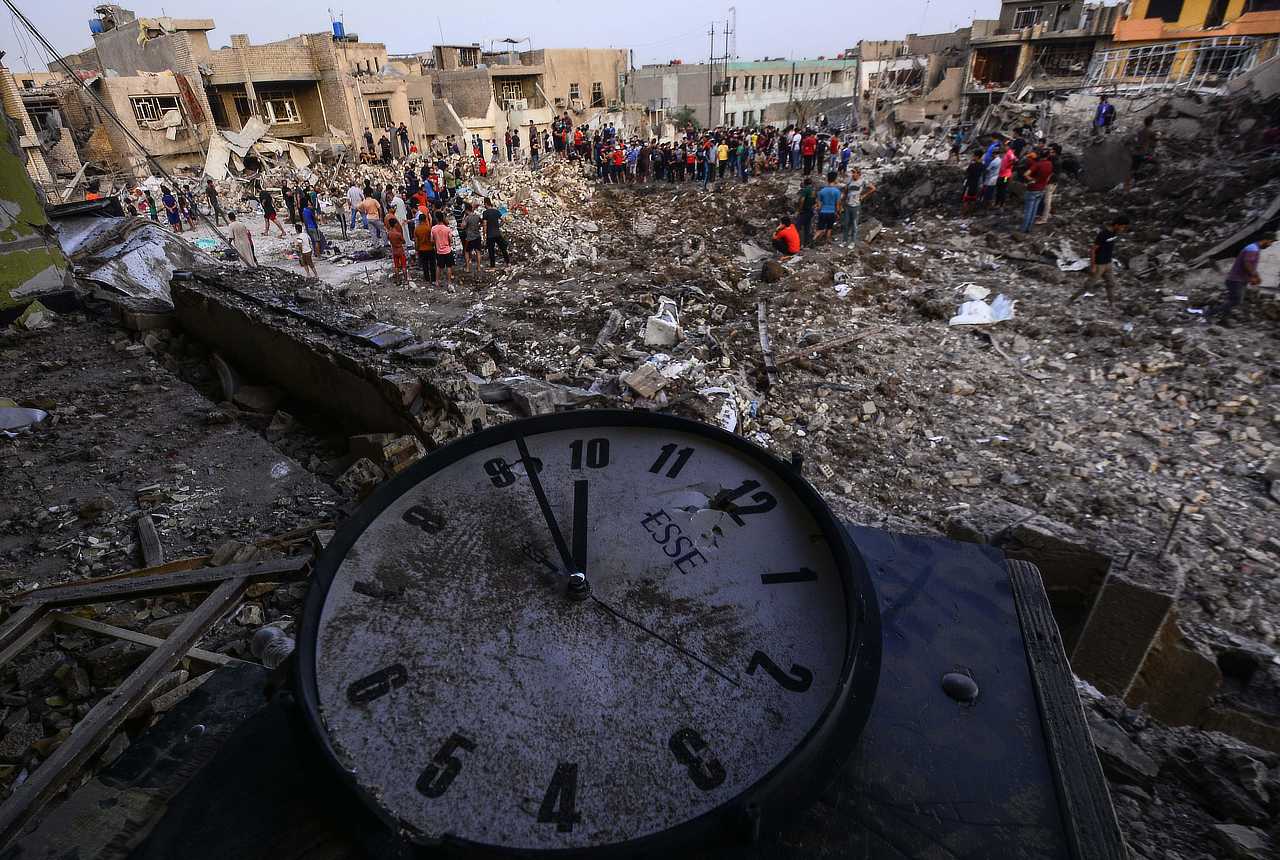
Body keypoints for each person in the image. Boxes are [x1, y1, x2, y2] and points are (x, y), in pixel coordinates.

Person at [1206, 237, 1272, 323]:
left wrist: (1254, 277)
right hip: (1236, 280)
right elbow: (1247, 264)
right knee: (1236, 300)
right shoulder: (1252, 249)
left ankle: (1223, 320)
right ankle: (1209, 313)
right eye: (1270, 242)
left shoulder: (1253, 248)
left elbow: (1250, 265)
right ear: (1265, 239)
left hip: (1238, 279)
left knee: (1231, 301)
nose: (1270, 245)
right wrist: (1254, 276)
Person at [1071, 215, 1131, 304]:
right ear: (1117, 225)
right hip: (1099, 264)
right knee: (1089, 285)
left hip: (1108, 263)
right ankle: (1072, 299)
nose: (1123, 229)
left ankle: (1112, 304)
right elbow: (1093, 250)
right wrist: (1093, 265)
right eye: (1122, 227)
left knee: (1111, 284)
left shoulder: (1114, 232)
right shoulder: (1103, 234)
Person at [1020, 152, 1053, 234]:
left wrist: (1032, 180)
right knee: (1034, 210)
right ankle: (1029, 228)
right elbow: (1050, 175)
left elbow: (1026, 174)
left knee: (1028, 210)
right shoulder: (1049, 164)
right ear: (1048, 156)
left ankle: (1023, 229)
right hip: (1041, 189)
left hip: (1033, 189)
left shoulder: (1038, 164)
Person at [841, 168, 874, 245]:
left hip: (856, 206)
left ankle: (852, 242)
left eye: (854, 173)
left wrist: (864, 195)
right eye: (852, 173)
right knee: (846, 224)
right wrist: (841, 203)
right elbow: (845, 192)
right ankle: (844, 240)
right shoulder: (849, 181)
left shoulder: (862, 181)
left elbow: (873, 188)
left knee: (854, 224)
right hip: (847, 205)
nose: (853, 174)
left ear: (859, 174)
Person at [1126, 115, 1157, 193]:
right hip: (1143, 154)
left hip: (1136, 153)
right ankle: (1147, 184)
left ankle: (1128, 187)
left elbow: (1137, 140)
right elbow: (1154, 141)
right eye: (1153, 122)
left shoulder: (1140, 131)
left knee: (1133, 170)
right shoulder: (1150, 132)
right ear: (1151, 123)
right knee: (1156, 163)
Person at [480, 197, 509, 268]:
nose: (484, 205)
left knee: (491, 251)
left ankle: (493, 266)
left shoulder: (485, 213)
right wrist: (498, 226)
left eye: (484, 204)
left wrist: (484, 234)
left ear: (486, 204)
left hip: (490, 235)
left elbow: (484, 224)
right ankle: (508, 262)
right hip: (497, 233)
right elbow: (503, 220)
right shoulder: (496, 211)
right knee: (503, 248)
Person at [814, 172, 842, 245]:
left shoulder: (822, 191)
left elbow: (819, 204)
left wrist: (819, 210)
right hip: (832, 212)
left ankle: (814, 240)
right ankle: (827, 241)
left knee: (820, 228)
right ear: (835, 179)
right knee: (829, 227)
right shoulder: (837, 191)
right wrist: (838, 212)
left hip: (823, 211)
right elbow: (837, 204)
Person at [431, 212, 454, 290]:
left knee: (439, 266)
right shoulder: (447, 229)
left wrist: (437, 242)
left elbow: (431, 240)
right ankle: (449, 283)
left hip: (439, 251)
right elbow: (451, 240)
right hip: (447, 250)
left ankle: (437, 281)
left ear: (437, 219)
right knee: (449, 267)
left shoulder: (433, 229)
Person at [460, 202, 483, 276]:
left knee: (467, 252)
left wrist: (463, 221)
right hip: (477, 236)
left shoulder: (467, 218)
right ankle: (479, 267)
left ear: (466, 210)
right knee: (478, 251)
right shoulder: (477, 216)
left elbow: (463, 226)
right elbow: (482, 222)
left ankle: (467, 268)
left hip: (469, 237)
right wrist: (478, 227)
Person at [414, 213, 436, 285]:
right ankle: (433, 279)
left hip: (421, 249)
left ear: (419, 220)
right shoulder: (429, 228)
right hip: (430, 248)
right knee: (432, 265)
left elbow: (416, 241)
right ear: (425, 219)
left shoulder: (417, 229)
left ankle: (427, 278)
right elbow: (432, 240)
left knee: (425, 265)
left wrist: (416, 249)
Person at [386, 215, 407, 282]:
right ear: (395, 224)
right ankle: (406, 279)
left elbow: (389, 240)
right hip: (400, 249)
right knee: (403, 265)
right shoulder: (398, 234)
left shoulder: (389, 233)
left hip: (394, 250)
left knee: (396, 266)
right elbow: (404, 241)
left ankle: (398, 279)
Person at [796, 176, 816, 247]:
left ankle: (797, 243)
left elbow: (802, 200)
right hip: (810, 211)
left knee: (797, 227)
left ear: (805, 183)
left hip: (805, 210)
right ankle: (806, 243)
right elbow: (815, 201)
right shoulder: (813, 190)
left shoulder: (806, 190)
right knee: (807, 227)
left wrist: (800, 210)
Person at [962, 150, 984, 215]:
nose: (972, 157)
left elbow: (967, 173)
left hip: (969, 184)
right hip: (976, 185)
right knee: (973, 200)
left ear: (977, 156)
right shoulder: (982, 165)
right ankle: (970, 214)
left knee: (966, 200)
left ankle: (964, 214)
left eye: (974, 155)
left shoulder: (972, 165)